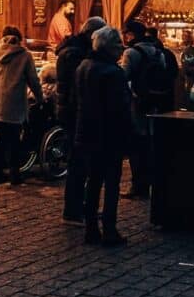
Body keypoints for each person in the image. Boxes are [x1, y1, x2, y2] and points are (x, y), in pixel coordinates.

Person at [75, 26, 131, 246]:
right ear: (109, 47)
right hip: (109, 135)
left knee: (93, 181)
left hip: (86, 131)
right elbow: (120, 108)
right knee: (111, 184)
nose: (121, 50)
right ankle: (109, 228)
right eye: (119, 46)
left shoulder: (83, 66)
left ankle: (90, 228)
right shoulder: (113, 73)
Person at [55, 16, 107, 226]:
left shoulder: (73, 50)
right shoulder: (75, 55)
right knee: (79, 163)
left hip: (73, 112)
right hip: (75, 113)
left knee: (81, 161)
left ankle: (83, 207)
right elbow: (79, 88)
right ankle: (73, 211)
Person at [0, 26, 43, 186]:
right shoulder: (25, 55)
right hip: (13, 100)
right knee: (14, 138)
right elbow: (33, 80)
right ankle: (14, 174)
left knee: (2, 136)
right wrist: (40, 98)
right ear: (19, 38)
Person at [121, 20, 169, 199]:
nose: (124, 37)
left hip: (137, 102)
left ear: (132, 34)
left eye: (126, 33)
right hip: (155, 102)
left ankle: (137, 185)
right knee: (151, 143)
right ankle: (151, 183)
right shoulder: (158, 52)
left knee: (136, 144)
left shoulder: (131, 53)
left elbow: (123, 76)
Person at [147, 27, 180, 113]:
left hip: (151, 92)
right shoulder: (168, 53)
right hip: (167, 92)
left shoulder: (147, 53)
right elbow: (175, 72)